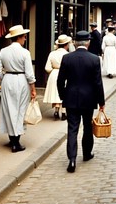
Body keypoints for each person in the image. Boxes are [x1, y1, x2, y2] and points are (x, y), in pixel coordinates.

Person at [57, 30, 105, 173]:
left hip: (71, 98)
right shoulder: (94, 59)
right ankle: (86, 153)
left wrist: (63, 96)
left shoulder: (67, 58)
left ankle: (72, 159)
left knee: (72, 129)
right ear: (88, 43)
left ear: (75, 43)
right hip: (88, 99)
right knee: (87, 127)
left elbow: (60, 81)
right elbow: (98, 83)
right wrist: (101, 101)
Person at [0, 25, 36, 153]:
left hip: (7, 79)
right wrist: (33, 88)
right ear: (19, 37)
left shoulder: (3, 51)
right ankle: (16, 142)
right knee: (20, 110)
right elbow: (29, 74)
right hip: (21, 79)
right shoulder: (25, 52)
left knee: (9, 109)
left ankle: (12, 138)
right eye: (24, 36)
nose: (25, 38)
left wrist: (4, 78)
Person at [43, 34, 72, 121]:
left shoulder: (52, 53)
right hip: (65, 74)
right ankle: (63, 112)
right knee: (64, 92)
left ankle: (56, 110)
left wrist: (53, 71)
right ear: (66, 45)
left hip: (54, 73)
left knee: (56, 92)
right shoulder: (68, 54)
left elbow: (47, 67)